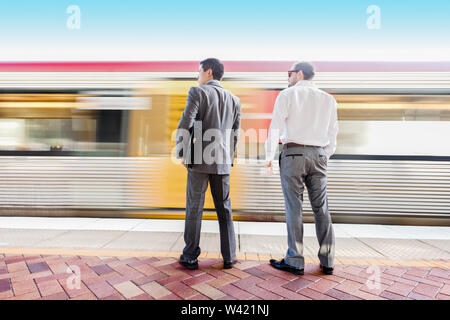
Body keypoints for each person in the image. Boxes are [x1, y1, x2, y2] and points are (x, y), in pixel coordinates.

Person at [265, 61, 338, 275]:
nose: (287, 78)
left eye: (289, 74)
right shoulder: (328, 99)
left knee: (294, 208)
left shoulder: (287, 95)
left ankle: (295, 260)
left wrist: (269, 156)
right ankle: (328, 261)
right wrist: (324, 154)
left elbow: (275, 127)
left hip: (293, 154)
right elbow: (333, 133)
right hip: (319, 155)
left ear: (299, 74)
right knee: (321, 209)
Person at [176, 58, 241, 270]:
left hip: (199, 160)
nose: (198, 76)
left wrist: (182, 152)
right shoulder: (234, 100)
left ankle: (190, 256)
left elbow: (185, 124)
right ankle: (229, 256)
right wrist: (228, 160)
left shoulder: (198, 92)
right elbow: (234, 135)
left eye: (199, 71)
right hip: (222, 163)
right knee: (225, 209)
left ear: (209, 72)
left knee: (194, 207)